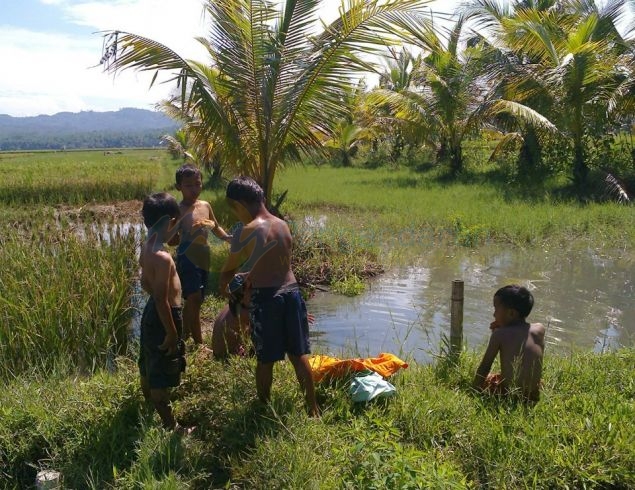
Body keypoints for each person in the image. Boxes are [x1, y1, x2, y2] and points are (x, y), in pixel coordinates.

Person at [218, 176, 319, 416]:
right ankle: (313, 408)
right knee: (299, 355)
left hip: (266, 299)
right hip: (292, 293)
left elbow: (227, 274)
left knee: (265, 360)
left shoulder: (246, 232)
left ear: (239, 205)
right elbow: (277, 264)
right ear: (262, 198)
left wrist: (230, 287)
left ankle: (263, 409)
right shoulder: (282, 224)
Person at [138, 192, 191, 433]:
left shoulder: (146, 248)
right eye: (175, 225)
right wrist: (171, 332)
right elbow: (161, 300)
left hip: (151, 312)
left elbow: (144, 283)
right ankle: (172, 426)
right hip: (164, 316)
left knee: (149, 360)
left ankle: (149, 403)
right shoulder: (163, 258)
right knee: (162, 367)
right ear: (170, 222)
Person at [172, 164, 231, 346]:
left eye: (197, 184)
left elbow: (216, 226)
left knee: (197, 298)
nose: (194, 189)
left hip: (204, 255)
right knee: (194, 297)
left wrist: (227, 237)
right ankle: (199, 343)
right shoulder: (178, 210)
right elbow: (172, 241)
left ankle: (187, 331)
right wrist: (181, 231)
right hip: (187, 256)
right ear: (179, 187)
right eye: (188, 185)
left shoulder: (205, 205)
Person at [473, 285, 545, 403]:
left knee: (488, 378)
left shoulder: (500, 334)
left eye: (496, 309)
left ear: (511, 313)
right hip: (532, 395)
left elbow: (485, 366)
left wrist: (473, 390)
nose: (494, 314)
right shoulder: (539, 329)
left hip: (509, 394)